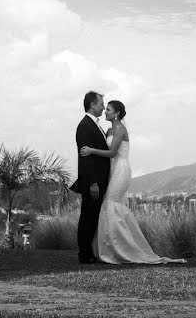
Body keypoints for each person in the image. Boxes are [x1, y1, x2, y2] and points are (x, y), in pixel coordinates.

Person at [81, 100, 186, 264]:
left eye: (108, 109)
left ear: (116, 113)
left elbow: (113, 152)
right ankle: (111, 247)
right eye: (105, 108)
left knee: (111, 205)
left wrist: (91, 150)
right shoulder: (108, 129)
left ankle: (122, 249)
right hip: (112, 171)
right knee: (108, 206)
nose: (105, 112)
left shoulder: (121, 129)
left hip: (121, 170)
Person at [69, 91, 110, 264]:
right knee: (88, 217)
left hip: (99, 180)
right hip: (92, 181)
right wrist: (93, 182)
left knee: (92, 216)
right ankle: (84, 254)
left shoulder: (96, 125)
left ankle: (89, 252)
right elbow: (85, 158)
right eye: (101, 103)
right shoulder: (85, 126)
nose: (103, 106)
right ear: (92, 105)